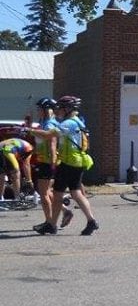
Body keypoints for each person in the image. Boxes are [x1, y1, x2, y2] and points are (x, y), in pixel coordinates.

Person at [43, 96, 98, 236]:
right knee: (76, 193)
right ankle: (91, 221)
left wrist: (29, 130)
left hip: (68, 163)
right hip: (77, 162)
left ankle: (51, 225)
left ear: (67, 109)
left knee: (57, 194)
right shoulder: (79, 121)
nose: (58, 110)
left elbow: (50, 134)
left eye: (60, 107)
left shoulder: (69, 123)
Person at [29, 98, 69, 230]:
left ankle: (49, 222)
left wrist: (52, 163)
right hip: (43, 161)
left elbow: (52, 144)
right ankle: (65, 211)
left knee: (43, 193)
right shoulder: (44, 122)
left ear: (47, 110)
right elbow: (41, 143)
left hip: (47, 162)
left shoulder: (49, 124)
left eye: (40, 109)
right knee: (47, 191)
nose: (38, 111)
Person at [1, 136, 34, 200]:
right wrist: (29, 181)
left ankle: (0, 198)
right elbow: (26, 165)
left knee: (1, 176)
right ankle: (17, 197)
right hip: (8, 152)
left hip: (2, 148)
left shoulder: (19, 142)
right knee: (16, 173)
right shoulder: (29, 148)